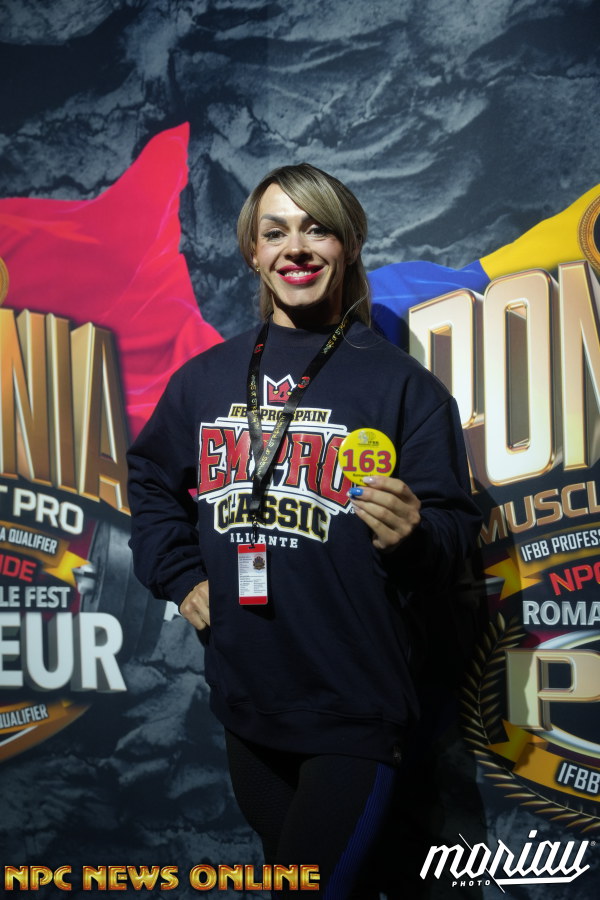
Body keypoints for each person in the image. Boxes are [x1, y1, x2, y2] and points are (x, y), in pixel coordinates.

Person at [127, 164, 481, 898]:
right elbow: (152, 480)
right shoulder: (205, 379)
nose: (296, 247)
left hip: (352, 704)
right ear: (253, 252)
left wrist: (415, 536)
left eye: (317, 229)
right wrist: (181, 575)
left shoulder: (403, 387)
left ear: (346, 246)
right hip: (249, 701)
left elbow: (453, 531)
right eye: (276, 231)